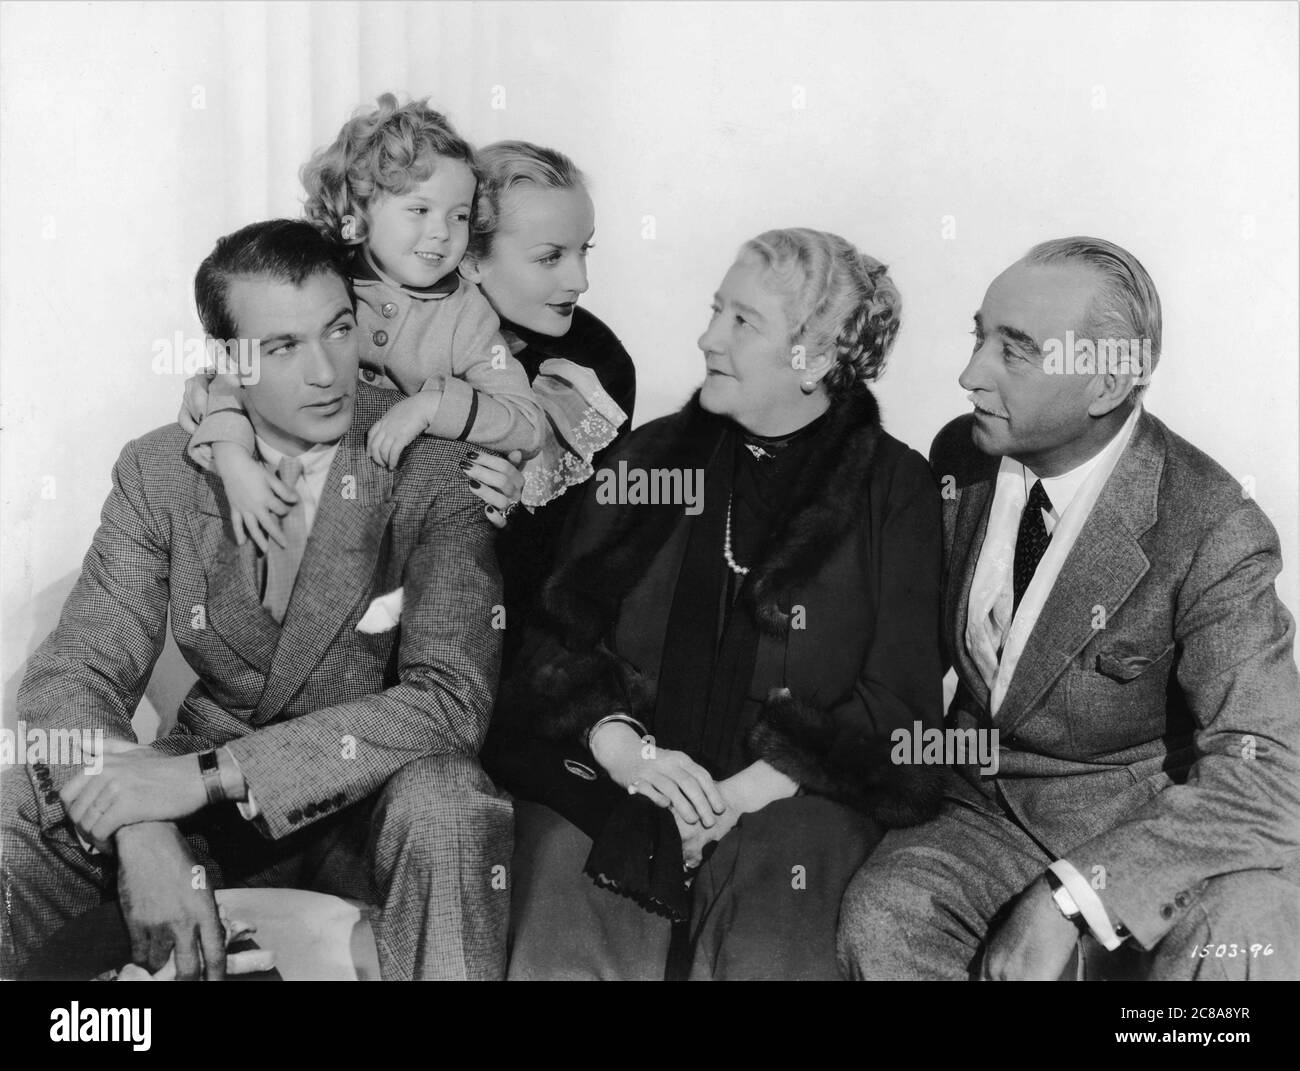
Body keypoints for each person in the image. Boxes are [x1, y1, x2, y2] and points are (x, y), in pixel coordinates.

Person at [0, 219, 512, 981]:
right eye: (282, 347)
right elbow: (75, 672)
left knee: (451, 803)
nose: (326, 371)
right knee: (17, 810)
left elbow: (448, 702)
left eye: (338, 329)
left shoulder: (431, 465)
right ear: (230, 363)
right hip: (201, 813)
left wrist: (204, 773)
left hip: (368, 800)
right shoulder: (161, 471)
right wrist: (141, 820)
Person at [837, 236, 1300, 981]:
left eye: (1013, 351)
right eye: (977, 336)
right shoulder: (962, 454)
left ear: (1107, 383)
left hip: (1138, 837)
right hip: (980, 818)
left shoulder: (1214, 526)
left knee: (1255, 938)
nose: (969, 375)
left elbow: (1273, 770)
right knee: (885, 914)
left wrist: (1072, 898)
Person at [489, 228, 946, 980]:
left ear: (819, 356)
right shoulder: (649, 460)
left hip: (793, 799)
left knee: (778, 902)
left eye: (743, 322)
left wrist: (735, 796)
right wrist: (620, 748)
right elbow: (550, 648)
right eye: (715, 311)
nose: (707, 339)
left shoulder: (896, 489)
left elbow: (901, 711)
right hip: (624, 774)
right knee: (570, 873)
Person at [184, 95, 546, 553]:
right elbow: (237, 373)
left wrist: (432, 405)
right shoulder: (322, 279)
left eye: (459, 215)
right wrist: (232, 457)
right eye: (419, 210)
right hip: (302, 497)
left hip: (403, 518)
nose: (443, 231)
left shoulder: (468, 315)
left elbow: (529, 425)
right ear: (358, 212)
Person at [458, 140, 637, 666]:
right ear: (471, 259)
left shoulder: (596, 366)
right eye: (551, 257)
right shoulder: (407, 332)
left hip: (514, 645)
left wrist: (509, 516)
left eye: (585, 250)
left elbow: (576, 562)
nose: (580, 281)